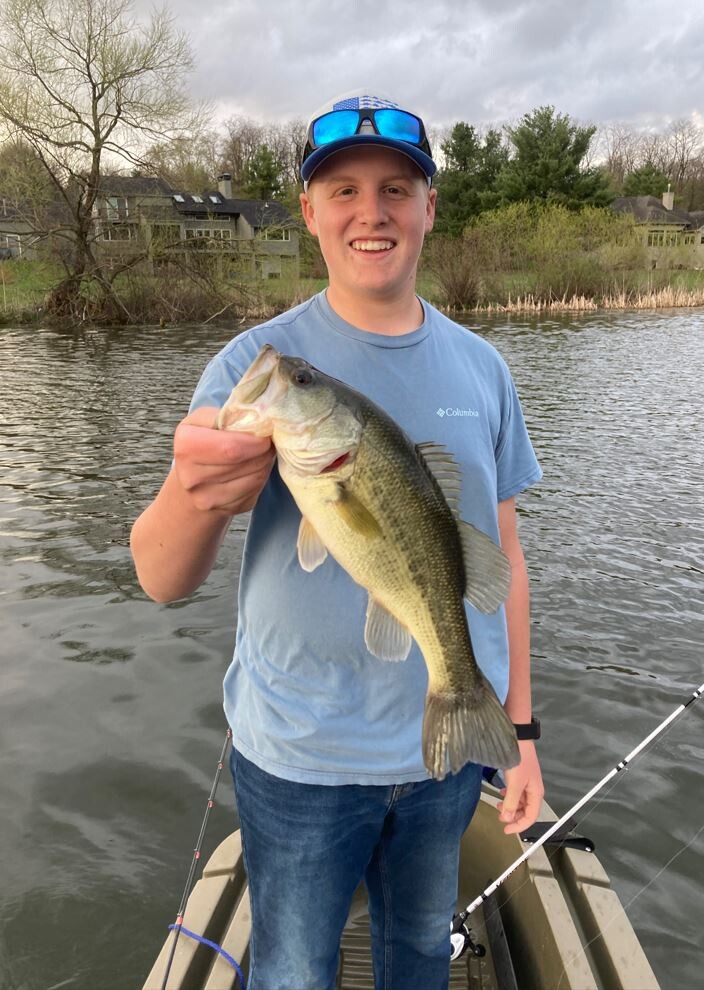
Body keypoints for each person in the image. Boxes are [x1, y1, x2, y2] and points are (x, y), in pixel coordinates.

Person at [130, 89, 544, 990]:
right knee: (293, 970)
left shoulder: (484, 367)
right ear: (310, 211)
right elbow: (161, 580)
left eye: (397, 188)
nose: (372, 211)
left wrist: (522, 731)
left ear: (430, 208)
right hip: (299, 756)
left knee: (416, 963)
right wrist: (195, 495)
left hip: (443, 754)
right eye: (344, 190)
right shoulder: (251, 366)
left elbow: (501, 559)